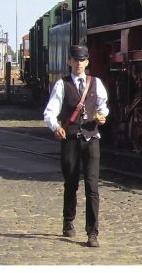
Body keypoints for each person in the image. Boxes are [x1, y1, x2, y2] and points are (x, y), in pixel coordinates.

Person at [43, 44, 109, 247]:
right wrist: (55, 127)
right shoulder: (62, 85)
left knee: (92, 186)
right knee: (71, 183)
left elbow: (103, 106)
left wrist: (102, 116)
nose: (79, 63)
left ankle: (92, 232)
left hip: (91, 138)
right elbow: (50, 112)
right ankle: (68, 220)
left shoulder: (96, 83)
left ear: (87, 62)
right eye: (75, 60)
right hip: (70, 139)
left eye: (82, 60)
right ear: (69, 62)